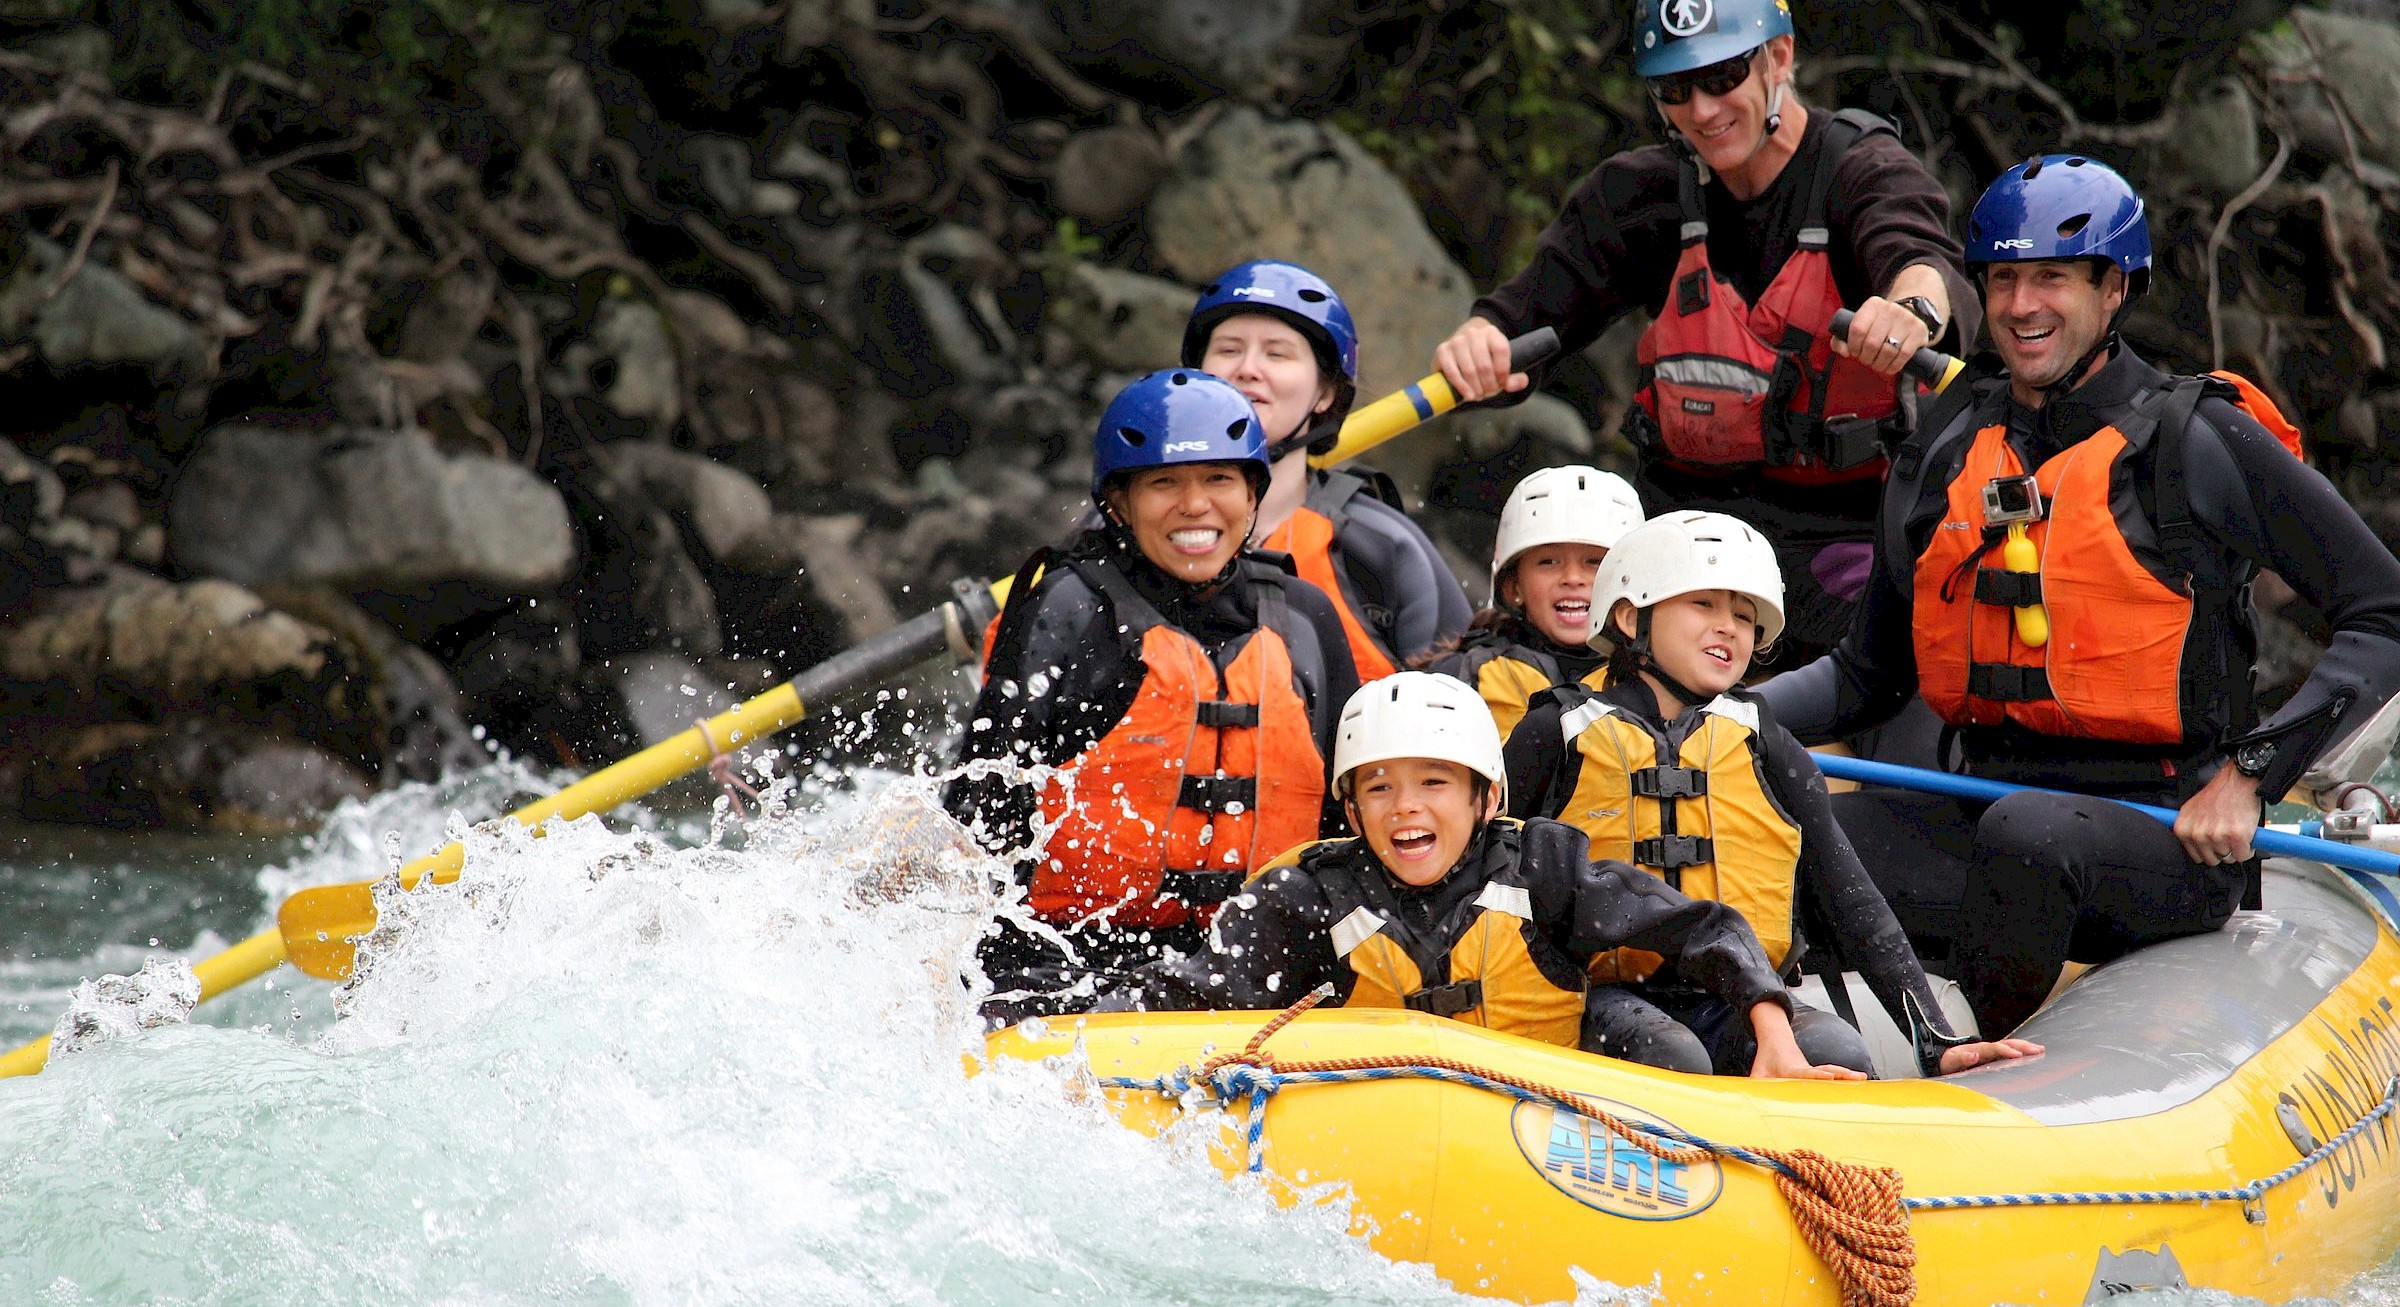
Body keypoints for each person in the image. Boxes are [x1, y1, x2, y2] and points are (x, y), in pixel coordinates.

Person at [1755, 155, 2400, 1035]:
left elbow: (2381, 609)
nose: (2023, 305)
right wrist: (1727, 715)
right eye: (2005, 279)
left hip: (2165, 834)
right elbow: (1866, 674)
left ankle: (1974, 1062)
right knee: (1801, 831)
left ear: (2113, 288)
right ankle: (1825, 1050)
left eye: (2052, 278)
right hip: (1982, 813)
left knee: (2032, 835)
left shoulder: (2197, 439)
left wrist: (2252, 775)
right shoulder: (1950, 437)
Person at [1431, 0, 1977, 668]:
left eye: (1722, 77)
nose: (1702, 110)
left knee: (1906, 638)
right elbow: (1525, 316)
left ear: (1778, 59)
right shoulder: (1641, 195)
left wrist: (1912, 310)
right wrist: (1482, 339)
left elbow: (1924, 263)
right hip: (1682, 540)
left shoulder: (1860, 172)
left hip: (1843, 539)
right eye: (1674, 89)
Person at [1094, 670, 1867, 1081]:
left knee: (1683, 1053)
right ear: (1351, 806)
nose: (1406, 809)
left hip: (1548, 1124)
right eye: (1379, 786)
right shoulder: (1307, 896)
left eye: (1433, 782)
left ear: (1484, 796)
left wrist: (1773, 1029)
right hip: (1375, 1121)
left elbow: (1704, 927)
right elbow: (1185, 994)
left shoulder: (1542, 865)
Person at [1506, 511, 2039, 1075]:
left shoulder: (1766, 743)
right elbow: (1489, 876)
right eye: (1703, 604)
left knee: (1834, 1052)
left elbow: (1850, 897)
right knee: (1672, 1054)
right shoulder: (1553, 733)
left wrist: (1936, 1038)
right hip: (1599, 999)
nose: (1729, 627)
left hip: (1742, 998)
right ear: (1630, 615)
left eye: (1743, 615)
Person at [946, 368, 1361, 1023]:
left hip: (1258, 976)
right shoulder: (1068, 609)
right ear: (1120, 502)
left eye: (1219, 480)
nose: (1194, 506)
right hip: (1064, 967)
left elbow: (1351, 826)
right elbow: (974, 810)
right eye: (1164, 483)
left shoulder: (1305, 619)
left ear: (1253, 494)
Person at [1185, 260, 1471, 680]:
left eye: (1277, 353)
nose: (1247, 368)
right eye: (1228, 350)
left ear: (1325, 393)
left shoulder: (1381, 548)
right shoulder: (1130, 525)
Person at [1422, 464, 1645, 739]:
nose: (1573, 578)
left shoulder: (1666, 681)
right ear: (1513, 586)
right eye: (1549, 562)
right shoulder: (1459, 679)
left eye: (1594, 562)